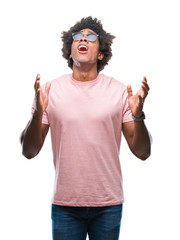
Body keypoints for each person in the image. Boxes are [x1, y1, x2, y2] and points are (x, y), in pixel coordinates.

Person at [20, 16, 151, 240]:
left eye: (91, 37)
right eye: (77, 37)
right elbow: (29, 151)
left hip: (108, 204)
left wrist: (138, 116)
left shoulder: (119, 91)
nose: (83, 38)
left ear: (100, 54)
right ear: (70, 51)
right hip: (65, 205)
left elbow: (142, 153)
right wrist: (37, 112)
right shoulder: (49, 92)